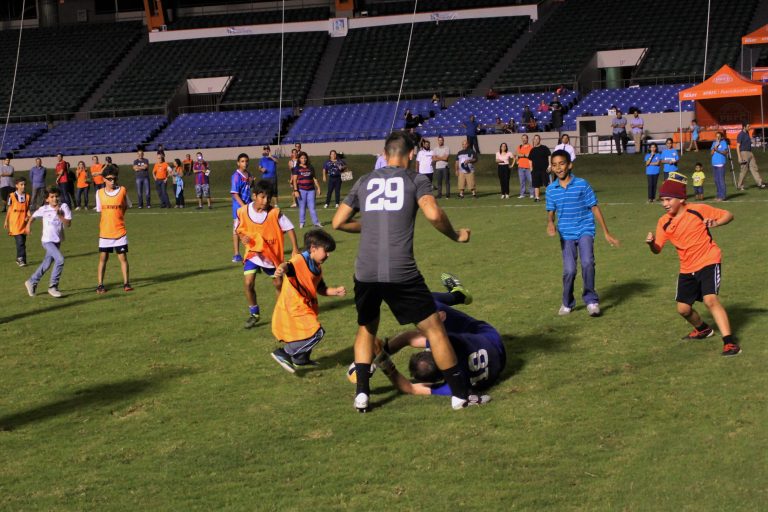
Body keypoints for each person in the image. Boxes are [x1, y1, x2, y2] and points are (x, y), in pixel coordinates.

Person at [331, 131, 478, 412]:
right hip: (401, 271)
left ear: (385, 154)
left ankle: (362, 394)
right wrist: (456, 235)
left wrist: (366, 226)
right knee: (435, 329)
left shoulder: (364, 180)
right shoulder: (415, 179)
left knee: (366, 328)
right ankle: (460, 395)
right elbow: (433, 214)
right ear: (411, 154)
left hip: (365, 271)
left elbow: (338, 222)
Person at [645, 175, 741, 357]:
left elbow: (729, 215)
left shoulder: (698, 210)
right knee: (683, 309)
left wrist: (717, 222)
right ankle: (703, 329)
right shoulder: (663, 222)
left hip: (708, 260)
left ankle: (729, 343)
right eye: (662, 200)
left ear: (681, 199)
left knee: (710, 300)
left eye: (668, 199)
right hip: (687, 267)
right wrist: (651, 243)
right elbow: (657, 249)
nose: (664, 204)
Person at [372, 277, 503, 400]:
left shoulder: (454, 387)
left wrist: (381, 359)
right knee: (428, 303)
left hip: (499, 359)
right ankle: (457, 295)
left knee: (429, 305)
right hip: (487, 335)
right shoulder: (451, 343)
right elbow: (409, 337)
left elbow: (410, 388)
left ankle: (458, 295)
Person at [546, 149, 619, 317]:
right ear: (551, 167)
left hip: (585, 229)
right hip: (566, 234)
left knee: (587, 263)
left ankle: (591, 300)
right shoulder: (551, 189)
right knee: (569, 270)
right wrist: (550, 223)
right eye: (554, 165)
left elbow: (594, 207)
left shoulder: (582, 184)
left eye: (562, 164)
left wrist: (606, 232)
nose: (558, 168)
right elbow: (550, 211)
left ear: (569, 165)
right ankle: (567, 303)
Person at [270, 229, 346, 372]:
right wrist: (281, 269)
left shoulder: (316, 265)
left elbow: (320, 288)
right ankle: (284, 352)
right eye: (326, 251)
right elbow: (288, 265)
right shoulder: (299, 260)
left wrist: (334, 291)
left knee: (306, 332)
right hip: (294, 307)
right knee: (316, 333)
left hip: (307, 306)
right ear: (313, 248)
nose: (328, 255)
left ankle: (301, 360)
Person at [235, 179, 299, 329]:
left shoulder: (274, 213)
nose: (266, 201)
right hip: (253, 253)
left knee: (278, 284)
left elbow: (289, 228)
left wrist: (295, 248)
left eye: (268, 198)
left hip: (271, 256)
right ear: (254, 196)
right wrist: (241, 237)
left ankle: (279, 313)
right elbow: (238, 229)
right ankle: (254, 313)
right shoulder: (243, 211)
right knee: (248, 283)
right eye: (262, 197)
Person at [23, 186, 71, 298]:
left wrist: (60, 215)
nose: (55, 199)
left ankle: (31, 282)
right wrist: (28, 225)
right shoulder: (44, 209)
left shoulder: (64, 207)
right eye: (52, 197)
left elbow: (68, 224)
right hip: (47, 241)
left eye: (56, 196)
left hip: (57, 241)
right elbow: (33, 216)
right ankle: (53, 286)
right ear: (47, 199)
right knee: (60, 259)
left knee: (46, 263)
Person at [95, 169, 132, 293]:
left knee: (123, 258)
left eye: (114, 178)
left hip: (119, 232)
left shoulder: (122, 190)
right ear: (104, 179)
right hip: (105, 233)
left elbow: (127, 205)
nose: (112, 181)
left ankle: (126, 283)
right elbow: (101, 210)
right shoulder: (99, 193)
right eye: (109, 178)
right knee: (103, 258)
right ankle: (100, 285)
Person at [231, 153, 252, 262]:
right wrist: (243, 206)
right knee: (237, 229)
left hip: (249, 205)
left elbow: (249, 188)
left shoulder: (249, 174)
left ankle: (251, 250)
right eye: (242, 161)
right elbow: (235, 193)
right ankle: (236, 254)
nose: (245, 163)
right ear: (238, 163)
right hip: (239, 207)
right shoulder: (236, 176)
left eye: (246, 161)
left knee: (249, 228)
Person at [4, 177, 30, 266]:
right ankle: (20, 259)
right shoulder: (11, 196)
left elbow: (28, 210)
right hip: (14, 224)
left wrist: (28, 216)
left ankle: (22, 259)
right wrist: (6, 221)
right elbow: (9, 209)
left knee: (22, 242)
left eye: (24, 184)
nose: (23, 186)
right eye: (21, 184)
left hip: (23, 224)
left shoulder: (27, 197)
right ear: (16, 186)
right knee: (20, 242)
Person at [293, 152, 322, 228]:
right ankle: (302, 223)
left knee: (312, 207)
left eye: (305, 158)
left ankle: (316, 223)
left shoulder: (310, 167)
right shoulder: (297, 168)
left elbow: (314, 179)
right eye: (302, 158)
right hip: (301, 190)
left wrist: (318, 188)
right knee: (302, 207)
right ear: (299, 159)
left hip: (311, 190)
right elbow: (294, 180)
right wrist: (296, 190)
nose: (304, 159)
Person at [735, 123, 767, 191]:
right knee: (744, 170)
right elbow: (737, 146)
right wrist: (739, 157)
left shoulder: (747, 133)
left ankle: (760, 183)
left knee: (754, 168)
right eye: (748, 126)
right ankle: (739, 185)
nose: (749, 127)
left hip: (750, 152)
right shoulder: (741, 135)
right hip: (744, 153)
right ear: (744, 127)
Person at [529, 134, 551, 202]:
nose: (536, 140)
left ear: (540, 139)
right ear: (533, 140)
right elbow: (530, 160)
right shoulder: (532, 150)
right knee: (536, 185)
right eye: (535, 139)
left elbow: (549, 156)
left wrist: (549, 165)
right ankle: (537, 198)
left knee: (546, 184)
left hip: (544, 170)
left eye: (537, 139)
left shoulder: (544, 148)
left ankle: (549, 198)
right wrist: (531, 169)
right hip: (535, 170)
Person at [710, 131, 729, 201]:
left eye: (719, 136)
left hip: (721, 164)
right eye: (716, 136)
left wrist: (717, 150)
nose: (717, 137)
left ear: (721, 137)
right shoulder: (714, 143)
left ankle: (723, 196)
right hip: (714, 164)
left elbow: (725, 152)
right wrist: (715, 146)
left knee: (721, 180)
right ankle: (718, 195)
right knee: (716, 180)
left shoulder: (723, 143)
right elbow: (711, 153)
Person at [516, 134, 533, 199]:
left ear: (527, 139)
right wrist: (524, 155)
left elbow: (529, 155)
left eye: (525, 138)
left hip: (528, 166)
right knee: (522, 181)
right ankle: (522, 194)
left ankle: (532, 193)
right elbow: (517, 154)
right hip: (520, 166)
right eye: (523, 138)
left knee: (531, 180)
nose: (524, 139)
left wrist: (521, 155)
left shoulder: (531, 147)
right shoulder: (519, 146)